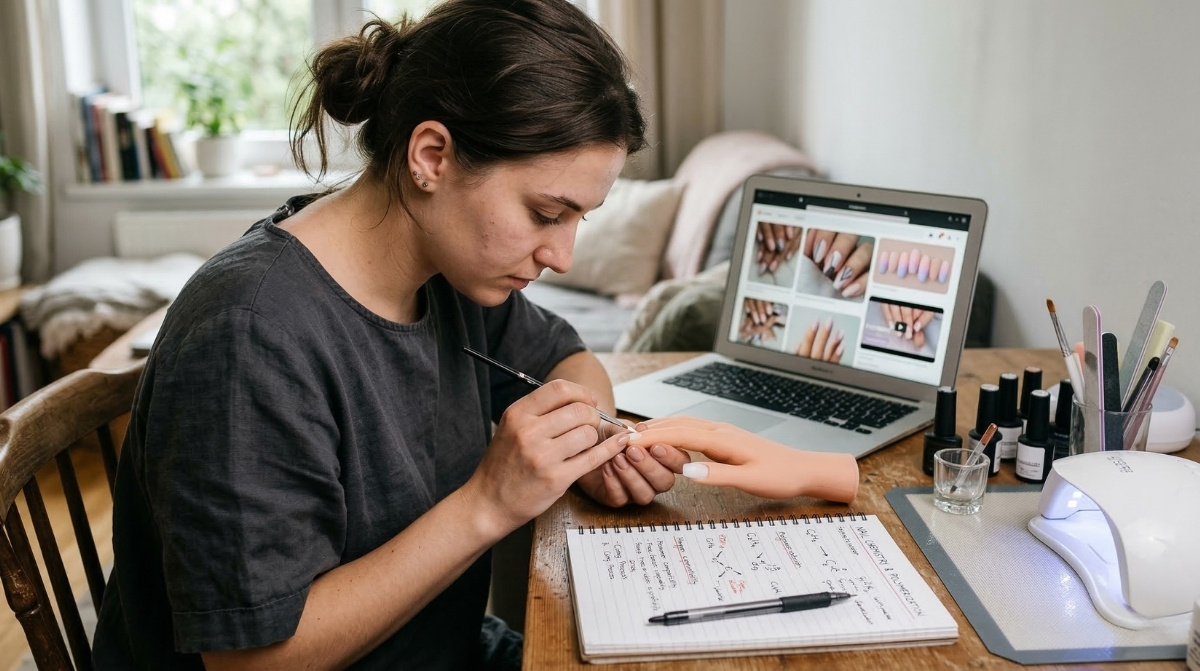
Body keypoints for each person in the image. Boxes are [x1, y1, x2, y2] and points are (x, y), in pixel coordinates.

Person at [92, 1, 690, 668]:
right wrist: (488, 503)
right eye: (546, 213)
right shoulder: (249, 336)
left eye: (580, 218)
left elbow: (566, 357)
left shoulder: (452, 271)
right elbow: (254, 662)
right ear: (431, 156)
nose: (562, 255)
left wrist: (589, 445)